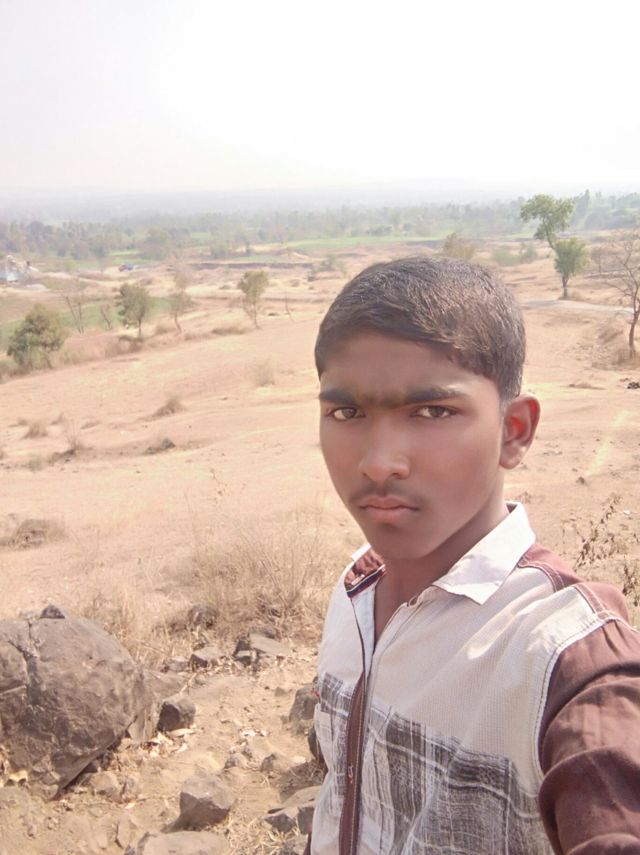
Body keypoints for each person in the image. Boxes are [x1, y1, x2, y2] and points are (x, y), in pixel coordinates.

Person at [306, 256, 640, 855]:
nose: (378, 463)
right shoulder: (355, 589)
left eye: (433, 411)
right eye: (347, 412)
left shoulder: (563, 658)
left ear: (514, 431)